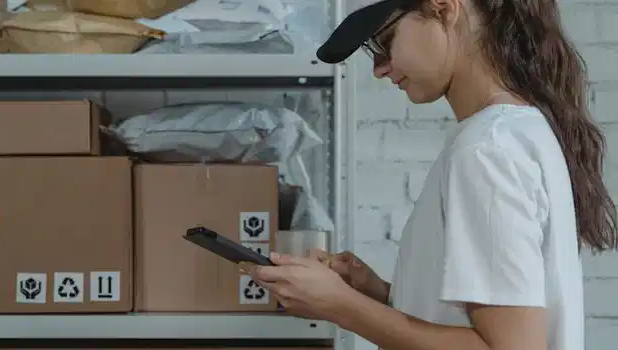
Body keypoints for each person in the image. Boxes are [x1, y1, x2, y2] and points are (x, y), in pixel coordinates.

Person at [240, 0, 618, 349]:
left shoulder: (487, 150)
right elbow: (491, 326)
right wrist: (378, 294)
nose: (379, 69)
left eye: (385, 42)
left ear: (444, 8)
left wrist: (341, 306)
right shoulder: (515, 132)